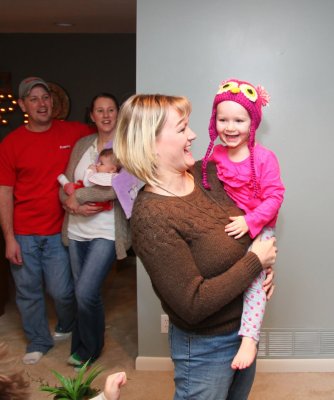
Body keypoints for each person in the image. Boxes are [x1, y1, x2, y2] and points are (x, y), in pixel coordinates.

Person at [113, 94, 277, 400]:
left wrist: (264, 270)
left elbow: (250, 230)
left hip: (243, 330)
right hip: (205, 348)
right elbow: (191, 304)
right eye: (182, 128)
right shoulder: (152, 216)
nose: (193, 135)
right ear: (151, 143)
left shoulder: (210, 174)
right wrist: (255, 262)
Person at [0, 77, 93, 365]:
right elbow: (5, 192)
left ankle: (65, 323)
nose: (42, 103)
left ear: (52, 102)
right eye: (34, 99)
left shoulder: (74, 132)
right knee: (28, 292)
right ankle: (39, 341)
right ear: (24, 105)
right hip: (24, 232)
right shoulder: (11, 143)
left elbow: (106, 133)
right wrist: (9, 238)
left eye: (46, 97)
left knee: (63, 291)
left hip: (58, 231)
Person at [202, 78, 285, 370]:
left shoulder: (264, 158)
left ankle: (249, 337)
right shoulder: (214, 156)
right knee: (223, 273)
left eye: (239, 120)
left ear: (252, 123)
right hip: (227, 228)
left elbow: (275, 197)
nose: (230, 127)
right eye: (223, 119)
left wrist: (251, 222)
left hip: (258, 226)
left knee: (253, 278)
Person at [59, 93, 131, 371]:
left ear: (118, 113)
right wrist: (71, 204)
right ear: (91, 115)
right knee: (82, 292)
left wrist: (81, 196)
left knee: (87, 291)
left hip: (107, 231)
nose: (106, 115)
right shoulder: (81, 145)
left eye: (111, 109)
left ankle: (90, 349)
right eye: (100, 110)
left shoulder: (125, 148)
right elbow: (64, 183)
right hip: (77, 229)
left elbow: (120, 187)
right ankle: (81, 345)